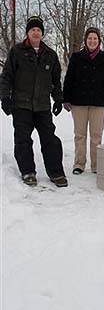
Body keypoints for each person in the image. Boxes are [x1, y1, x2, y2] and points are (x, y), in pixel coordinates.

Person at [0, 16, 68, 187]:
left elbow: (55, 80)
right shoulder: (17, 52)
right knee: (23, 139)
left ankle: (56, 173)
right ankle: (28, 171)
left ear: (42, 34)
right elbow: (6, 76)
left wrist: (58, 99)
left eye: (38, 30)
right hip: (21, 105)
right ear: (28, 33)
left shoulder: (50, 55)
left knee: (50, 139)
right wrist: (4, 97)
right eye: (32, 30)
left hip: (43, 106)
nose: (36, 33)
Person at [63, 27, 104, 174]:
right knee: (80, 135)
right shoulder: (76, 57)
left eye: (95, 39)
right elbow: (68, 80)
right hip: (78, 101)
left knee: (96, 135)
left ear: (99, 41)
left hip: (98, 102)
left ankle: (96, 165)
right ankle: (79, 164)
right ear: (85, 41)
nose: (92, 41)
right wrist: (66, 99)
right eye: (89, 38)